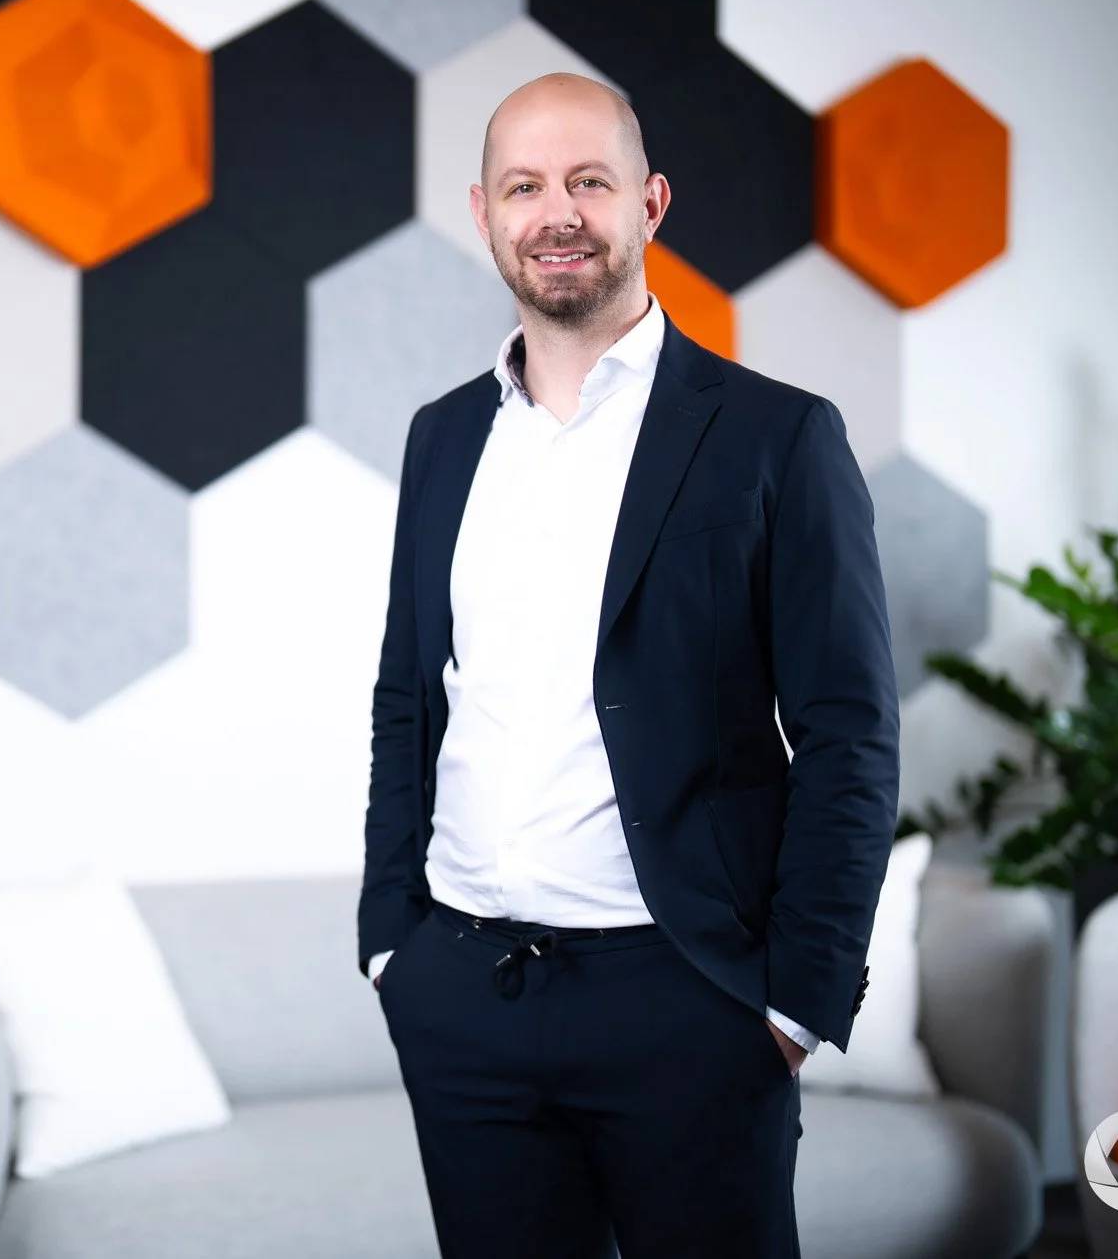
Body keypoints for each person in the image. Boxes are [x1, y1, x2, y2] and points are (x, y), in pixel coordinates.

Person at [357, 73, 899, 1259]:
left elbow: (849, 732)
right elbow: (409, 697)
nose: (558, 212)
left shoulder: (773, 435)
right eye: (525, 186)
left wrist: (795, 1004)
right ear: (484, 212)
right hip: (462, 994)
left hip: (686, 999)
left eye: (587, 181)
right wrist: (391, 941)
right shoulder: (442, 437)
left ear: (647, 202)